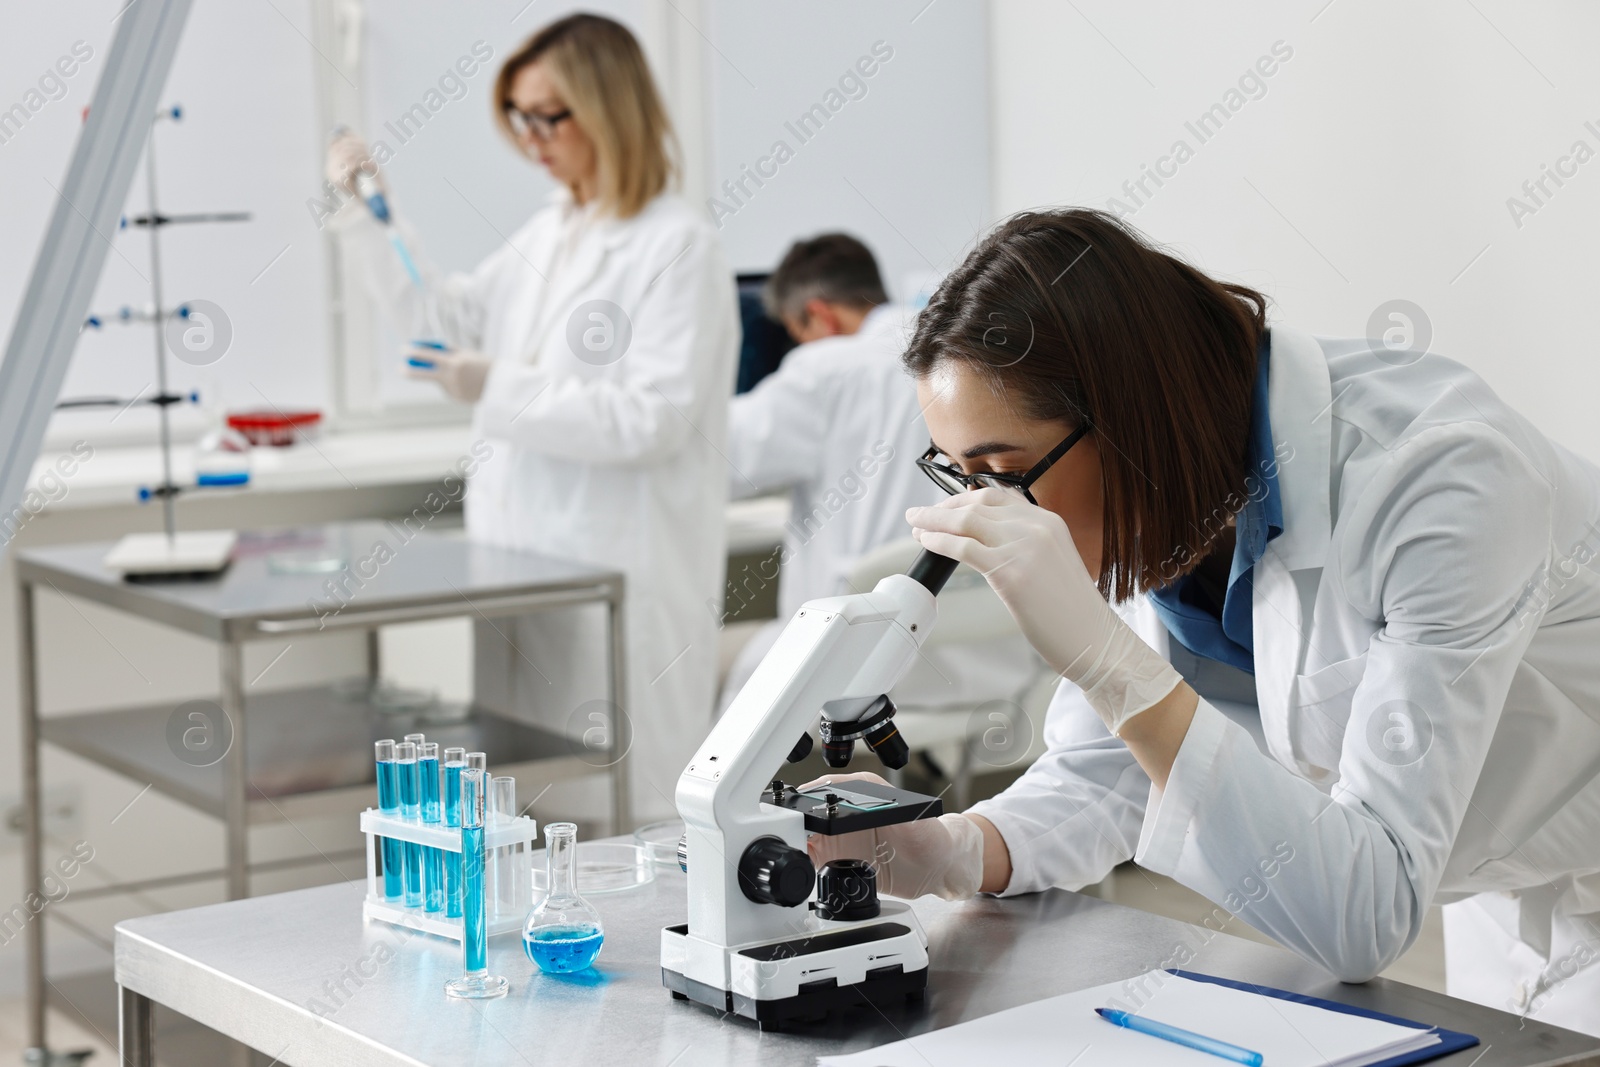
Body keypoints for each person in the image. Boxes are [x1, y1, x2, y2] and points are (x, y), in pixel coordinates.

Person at [810, 208, 1600, 1036]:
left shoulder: (1441, 478)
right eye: (959, 475)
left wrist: (1111, 663)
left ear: (1125, 415)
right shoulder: (1159, 494)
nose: (986, 511)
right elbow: (1110, 769)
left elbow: (1368, 915)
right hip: (1502, 890)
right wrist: (951, 849)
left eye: (1002, 475)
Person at [326, 14, 739, 823]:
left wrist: (497, 384)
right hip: (526, 568)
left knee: (630, 808)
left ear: (611, 108)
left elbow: (648, 419)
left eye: (551, 116)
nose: (532, 138)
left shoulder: (677, 248)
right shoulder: (550, 232)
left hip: (621, 577)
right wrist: (367, 215)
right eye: (520, 117)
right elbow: (440, 324)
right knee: (528, 801)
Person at [718, 234, 1037, 720]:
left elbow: (714, 462)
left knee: (713, 662)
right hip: (986, 661)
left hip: (855, 669)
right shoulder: (972, 355)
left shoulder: (825, 369)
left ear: (821, 315)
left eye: (795, 331)